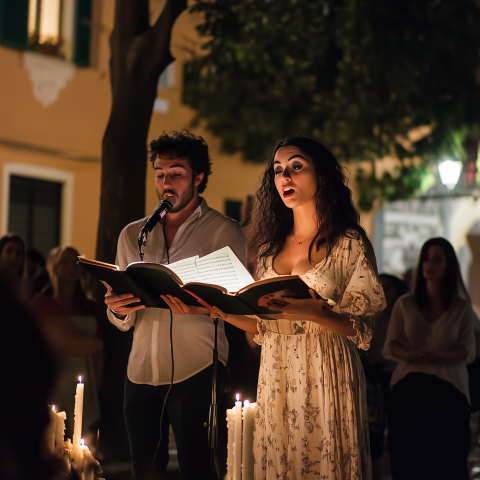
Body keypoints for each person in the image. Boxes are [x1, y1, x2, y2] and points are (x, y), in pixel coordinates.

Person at [164, 135, 387, 479]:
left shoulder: (349, 243)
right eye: (279, 170)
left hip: (327, 368)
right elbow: (263, 326)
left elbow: (364, 328)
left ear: (322, 176)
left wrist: (315, 312)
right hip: (278, 372)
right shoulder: (268, 252)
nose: (285, 177)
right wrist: (215, 310)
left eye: (296, 167)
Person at [103, 130, 247, 480]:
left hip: (197, 367)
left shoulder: (222, 230)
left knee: (197, 468)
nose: (166, 182)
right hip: (141, 370)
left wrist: (199, 302)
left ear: (198, 177)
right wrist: (117, 307)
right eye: (159, 173)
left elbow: (236, 302)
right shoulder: (133, 234)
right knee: (145, 471)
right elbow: (122, 316)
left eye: (176, 173)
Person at [383, 237, 475, 480]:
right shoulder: (405, 304)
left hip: (449, 388)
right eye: (426, 258)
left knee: (448, 460)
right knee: (407, 458)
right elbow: (391, 344)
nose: (429, 264)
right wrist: (412, 355)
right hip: (409, 386)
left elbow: (468, 349)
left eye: (437, 259)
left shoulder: (461, 308)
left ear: (449, 266)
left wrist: (439, 357)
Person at [30, 246, 104, 444]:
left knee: (83, 447)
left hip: (84, 385)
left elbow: (100, 348)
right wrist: (89, 344)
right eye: (65, 262)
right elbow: (47, 341)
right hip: (55, 380)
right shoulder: (41, 303)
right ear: (54, 267)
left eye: (75, 263)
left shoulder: (91, 306)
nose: (71, 267)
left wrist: (97, 388)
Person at [360, 274, 407, 480]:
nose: (384, 291)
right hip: (374, 382)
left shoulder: (405, 317)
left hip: (399, 379)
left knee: (400, 432)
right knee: (375, 434)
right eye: (380, 286)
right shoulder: (369, 319)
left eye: (388, 287)